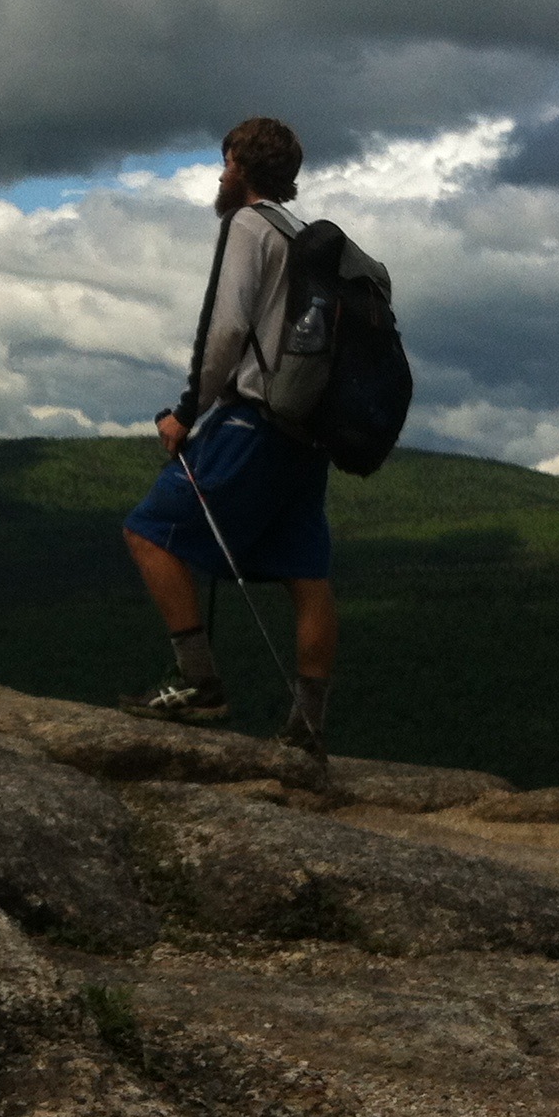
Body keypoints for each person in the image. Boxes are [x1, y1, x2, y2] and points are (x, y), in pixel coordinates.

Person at [119, 115, 336, 773]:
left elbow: (227, 327)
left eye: (225, 162)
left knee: (150, 529)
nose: (220, 174)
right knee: (308, 577)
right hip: (309, 431)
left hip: (253, 423)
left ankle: (197, 682)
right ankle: (307, 729)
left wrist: (188, 409)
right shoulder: (303, 238)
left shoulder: (248, 226)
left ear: (242, 164)